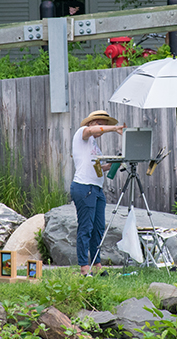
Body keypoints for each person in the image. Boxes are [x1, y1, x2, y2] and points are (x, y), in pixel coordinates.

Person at [71, 110, 125, 276]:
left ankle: (96, 264)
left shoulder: (94, 145)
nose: (104, 126)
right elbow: (91, 131)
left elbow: (100, 167)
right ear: (91, 123)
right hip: (84, 186)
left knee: (98, 228)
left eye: (105, 123)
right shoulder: (83, 133)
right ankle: (83, 267)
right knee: (86, 227)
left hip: (96, 188)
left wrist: (116, 162)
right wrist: (115, 128)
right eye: (101, 123)